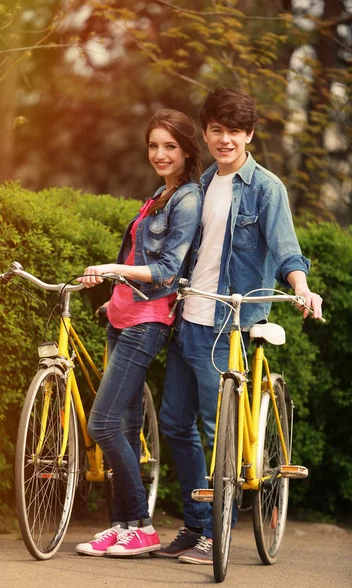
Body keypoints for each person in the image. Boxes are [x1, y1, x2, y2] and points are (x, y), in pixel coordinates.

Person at [152, 87, 323, 564]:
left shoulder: (267, 188)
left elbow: (287, 248)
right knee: (174, 423)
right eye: (216, 130)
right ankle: (196, 525)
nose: (225, 139)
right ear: (206, 133)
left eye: (234, 131)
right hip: (190, 317)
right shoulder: (201, 184)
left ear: (249, 133)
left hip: (228, 325)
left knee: (215, 429)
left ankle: (218, 535)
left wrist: (301, 286)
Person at [75, 109, 203, 557]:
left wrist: (113, 269)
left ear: (188, 150)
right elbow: (138, 251)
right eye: (153, 145)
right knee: (126, 427)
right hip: (122, 316)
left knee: (102, 423)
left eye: (170, 146)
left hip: (148, 322)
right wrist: (114, 293)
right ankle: (122, 524)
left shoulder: (187, 199)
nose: (160, 154)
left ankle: (144, 528)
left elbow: (168, 271)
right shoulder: (160, 194)